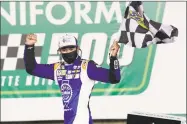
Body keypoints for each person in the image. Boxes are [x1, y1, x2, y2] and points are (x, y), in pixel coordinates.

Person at [24, 33, 121, 124]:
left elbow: (114, 78)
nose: (68, 52)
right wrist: (29, 46)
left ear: (77, 49)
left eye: (71, 48)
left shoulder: (87, 67)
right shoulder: (57, 68)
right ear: (59, 51)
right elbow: (32, 69)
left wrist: (113, 57)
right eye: (64, 49)